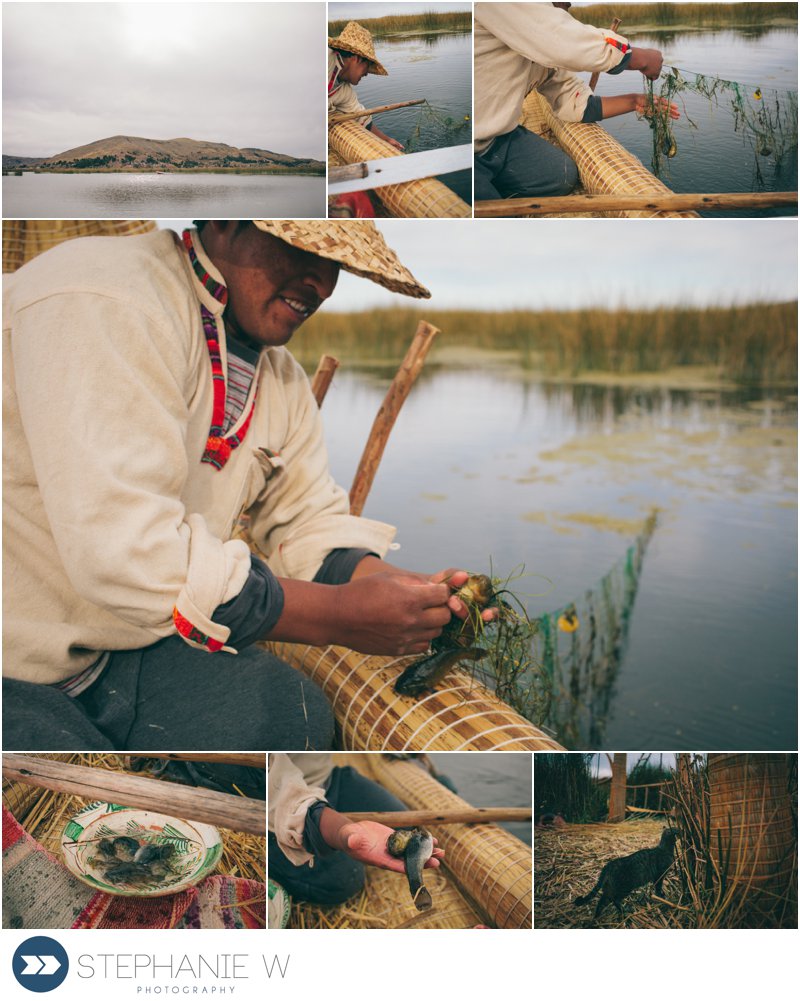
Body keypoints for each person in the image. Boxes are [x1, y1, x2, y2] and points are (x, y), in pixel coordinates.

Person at [2, 220, 494, 751]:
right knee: (68, 787)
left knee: (290, 721)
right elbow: (125, 554)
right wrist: (336, 615)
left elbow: (305, 519)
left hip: (120, 643)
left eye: (335, 263)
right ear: (225, 222)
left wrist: (412, 594)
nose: (323, 284)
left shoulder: (280, 378)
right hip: (18, 653)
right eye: (299, 247)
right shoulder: (106, 298)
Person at [474, 1, 680, 200]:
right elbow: (565, 41)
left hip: (498, 139)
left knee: (561, 176)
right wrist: (640, 57)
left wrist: (634, 101)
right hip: (472, 146)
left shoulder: (539, 46)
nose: (569, 3)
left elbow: (573, 99)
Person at [268, 753, 444, 906]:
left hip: (326, 779)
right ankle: (271, 860)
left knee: (407, 824)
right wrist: (340, 831)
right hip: (276, 802)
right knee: (346, 881)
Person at [328, 21, 404, 151]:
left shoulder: (345, 92)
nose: (367, 74)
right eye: (367, 66)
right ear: (357, 58)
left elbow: (361, 116)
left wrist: (386, 140)